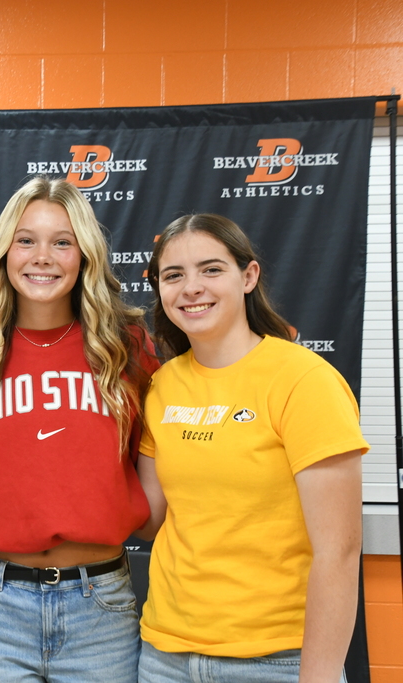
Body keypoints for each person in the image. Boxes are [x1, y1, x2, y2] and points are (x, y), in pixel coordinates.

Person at [0, 176, 158, 683]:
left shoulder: (128, 347)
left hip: (100, 602)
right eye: (26, 240)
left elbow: (162, 463)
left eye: (62, 241)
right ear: (5, 252)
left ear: (86, 255)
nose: (42, 256)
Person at [136, 213, 368, 683]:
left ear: (248, 276)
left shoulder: (303, 381)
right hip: (166, 657)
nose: (192, 287)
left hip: (277, 660)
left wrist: (318, 676)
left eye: (211, 269)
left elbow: (339, 552)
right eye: (173, 275)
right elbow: (147, 520)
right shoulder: (162, 386)